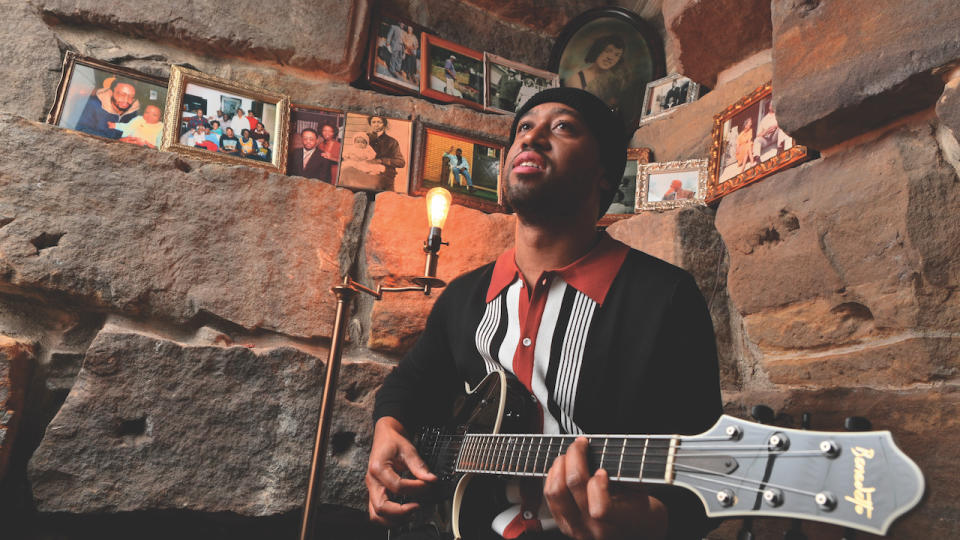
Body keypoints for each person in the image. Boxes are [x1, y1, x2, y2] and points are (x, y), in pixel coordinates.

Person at [367, 87, 722, 540]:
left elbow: (705, 482)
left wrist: (643, 520)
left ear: (603, 175)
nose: (532, 138)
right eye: (524, 128)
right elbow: (410, 384)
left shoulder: (666, 298)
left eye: (562, 127)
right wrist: (387, 431)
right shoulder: (463, 298)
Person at [563, 35, 626, 112]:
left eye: (617, 55)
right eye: (607, 51)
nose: (610, 57)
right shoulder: (576, 79)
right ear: (598, 50)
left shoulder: (617, 81)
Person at [75, 78, 140, 139]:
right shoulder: (93, 105)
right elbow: (80, 130)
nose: (126, 100)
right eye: (122, 95)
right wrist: (116, 142)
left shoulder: (132, 113)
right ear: (111, 92)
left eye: (131, 97)